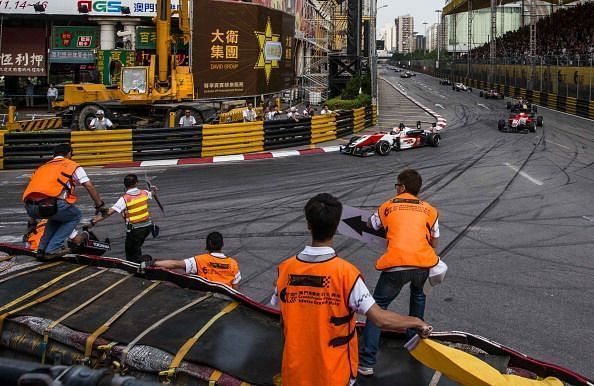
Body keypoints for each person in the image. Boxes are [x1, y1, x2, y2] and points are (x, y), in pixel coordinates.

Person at [271, 193, 433, 386]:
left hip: (294, 373)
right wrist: (416, 321)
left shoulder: (285, 270)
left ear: (308, 224)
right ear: (337, 225)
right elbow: (379, 319)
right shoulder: (346, 274)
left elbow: (283, 322)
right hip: (334, 374)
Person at [358, 169, 440, 376]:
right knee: (418, 296)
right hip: (423, 264)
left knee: (378, 308)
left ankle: (367, 362)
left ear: (402, 187)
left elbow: (371, 224)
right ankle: (415, 348)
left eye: (397, 185)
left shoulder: (389, 204)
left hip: (396, 264)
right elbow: (434, 241)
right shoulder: (430, 209)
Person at [22, 144, 106, 258]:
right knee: (76, 215)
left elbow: (34, 191)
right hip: (50, 206)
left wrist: (32, 221)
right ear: (69, 154)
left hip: (30, 207)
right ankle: (52, 249)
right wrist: (99, 205)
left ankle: (41, 250)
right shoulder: (72, 166)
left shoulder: (42, 168)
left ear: (54, 155)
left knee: (55, 218)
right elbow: (89, 186)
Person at [91, 174, 157, 263]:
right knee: (137, 247)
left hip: (135, 230)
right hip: (147, 227)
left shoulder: (125, 198)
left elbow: (109, 212)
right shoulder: (144, 193)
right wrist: (153, 189)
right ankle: (140, 259)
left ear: (125, 185)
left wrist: (94, 221)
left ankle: (139, 265)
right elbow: (152, 193)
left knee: (131, 254)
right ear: (137, 183)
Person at [153, 232, 241, 289]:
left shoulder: (199, 260)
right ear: (222, 245)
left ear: (207, 245)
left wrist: (153, 263)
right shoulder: (233, 263)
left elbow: (175, 264)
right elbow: (235, 289)